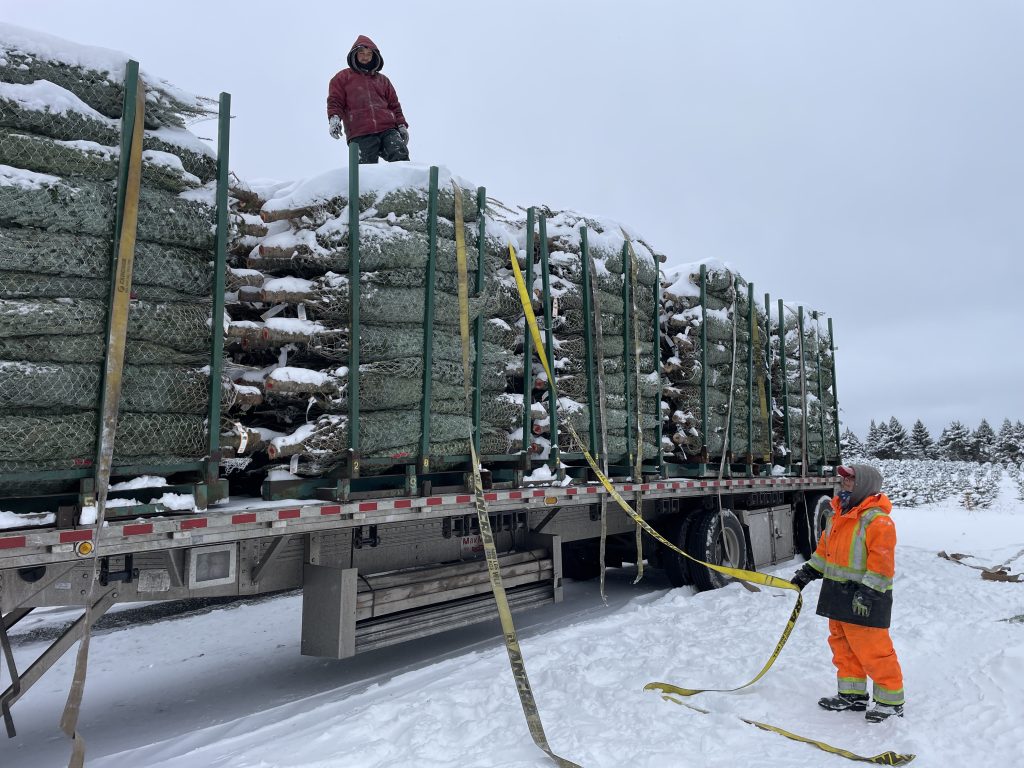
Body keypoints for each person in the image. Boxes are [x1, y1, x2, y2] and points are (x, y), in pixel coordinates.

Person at [790, 463, 905, 723]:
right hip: (837, 592)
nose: (845, 482)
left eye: (851, 478)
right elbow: (824, 552)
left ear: (865, 483)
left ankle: (890, 702)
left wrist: (868, 593)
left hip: (865, 597)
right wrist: (808, 573)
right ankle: (852, 695)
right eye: (844, 478)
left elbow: (882, 564)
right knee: (843, 646)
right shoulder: (838, 515)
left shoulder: (878, 520)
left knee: (873, 649)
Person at [327, 35, 410, 164]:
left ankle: (406, 184)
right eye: (361, 53)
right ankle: (366, 185)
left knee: (400, 156)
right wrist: (334, 118)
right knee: (366, 169)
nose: (365, 57)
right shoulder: (342, 78)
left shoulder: (383, 80)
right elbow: (335, 101)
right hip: (360, 131)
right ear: (354, 54)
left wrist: (401, 125)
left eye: (369, 53)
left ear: (374, 56)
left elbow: (394, 105)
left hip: (388, 129)